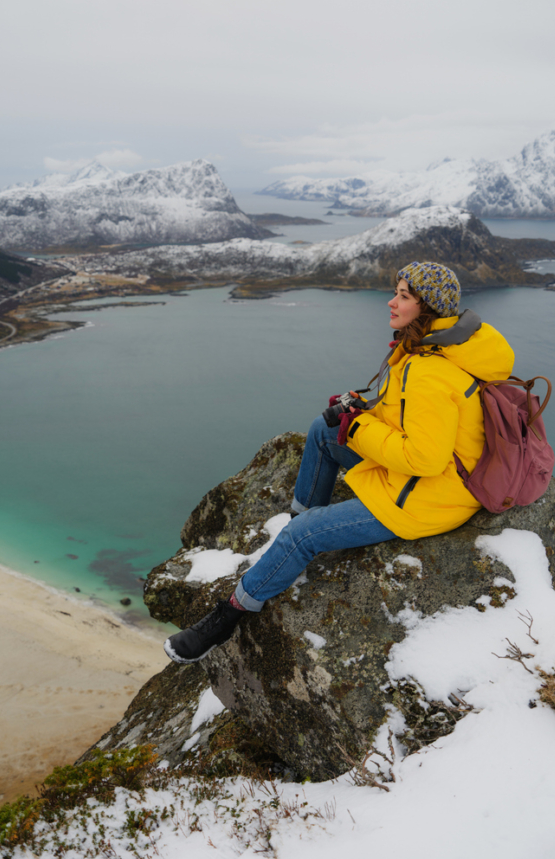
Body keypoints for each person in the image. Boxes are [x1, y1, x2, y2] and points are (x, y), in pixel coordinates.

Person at [164, 260, 515, 665]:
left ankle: (229, 615)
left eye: (403, 296)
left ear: (428, 308)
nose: (391, 302)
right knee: (323, 431)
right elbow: (413, 418)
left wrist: (358, 427)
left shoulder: (430, 370)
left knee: (305, 536)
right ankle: (294, 527)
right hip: (424, 478)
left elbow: (424, 458)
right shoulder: (430, 346)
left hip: (428, 498)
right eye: (396, 292)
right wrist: (362, 410)